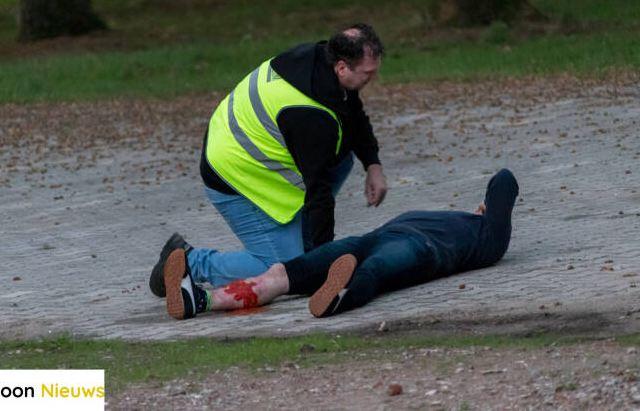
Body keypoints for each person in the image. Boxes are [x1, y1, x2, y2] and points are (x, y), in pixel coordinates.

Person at [150, 24, 389, 294]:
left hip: (247, 155)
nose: (375, 77)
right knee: (284, 271)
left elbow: (353, 113)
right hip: (233, 177)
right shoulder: (309, 114)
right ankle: (187, 263)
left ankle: (306, 247)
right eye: (369, 73)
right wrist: (323, 264)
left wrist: (373, 164)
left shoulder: (322, 59)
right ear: (343, 67)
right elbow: (318, 190)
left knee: (341, 155)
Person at [161, 169, 519, 319]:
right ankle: (202, 300)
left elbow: (505, 180)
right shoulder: (467, 221)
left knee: (374, 271)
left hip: (423, 251)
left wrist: (488, 214)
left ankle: (340, 298)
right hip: (372, 238)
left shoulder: (489, 240)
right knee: (283, 272)